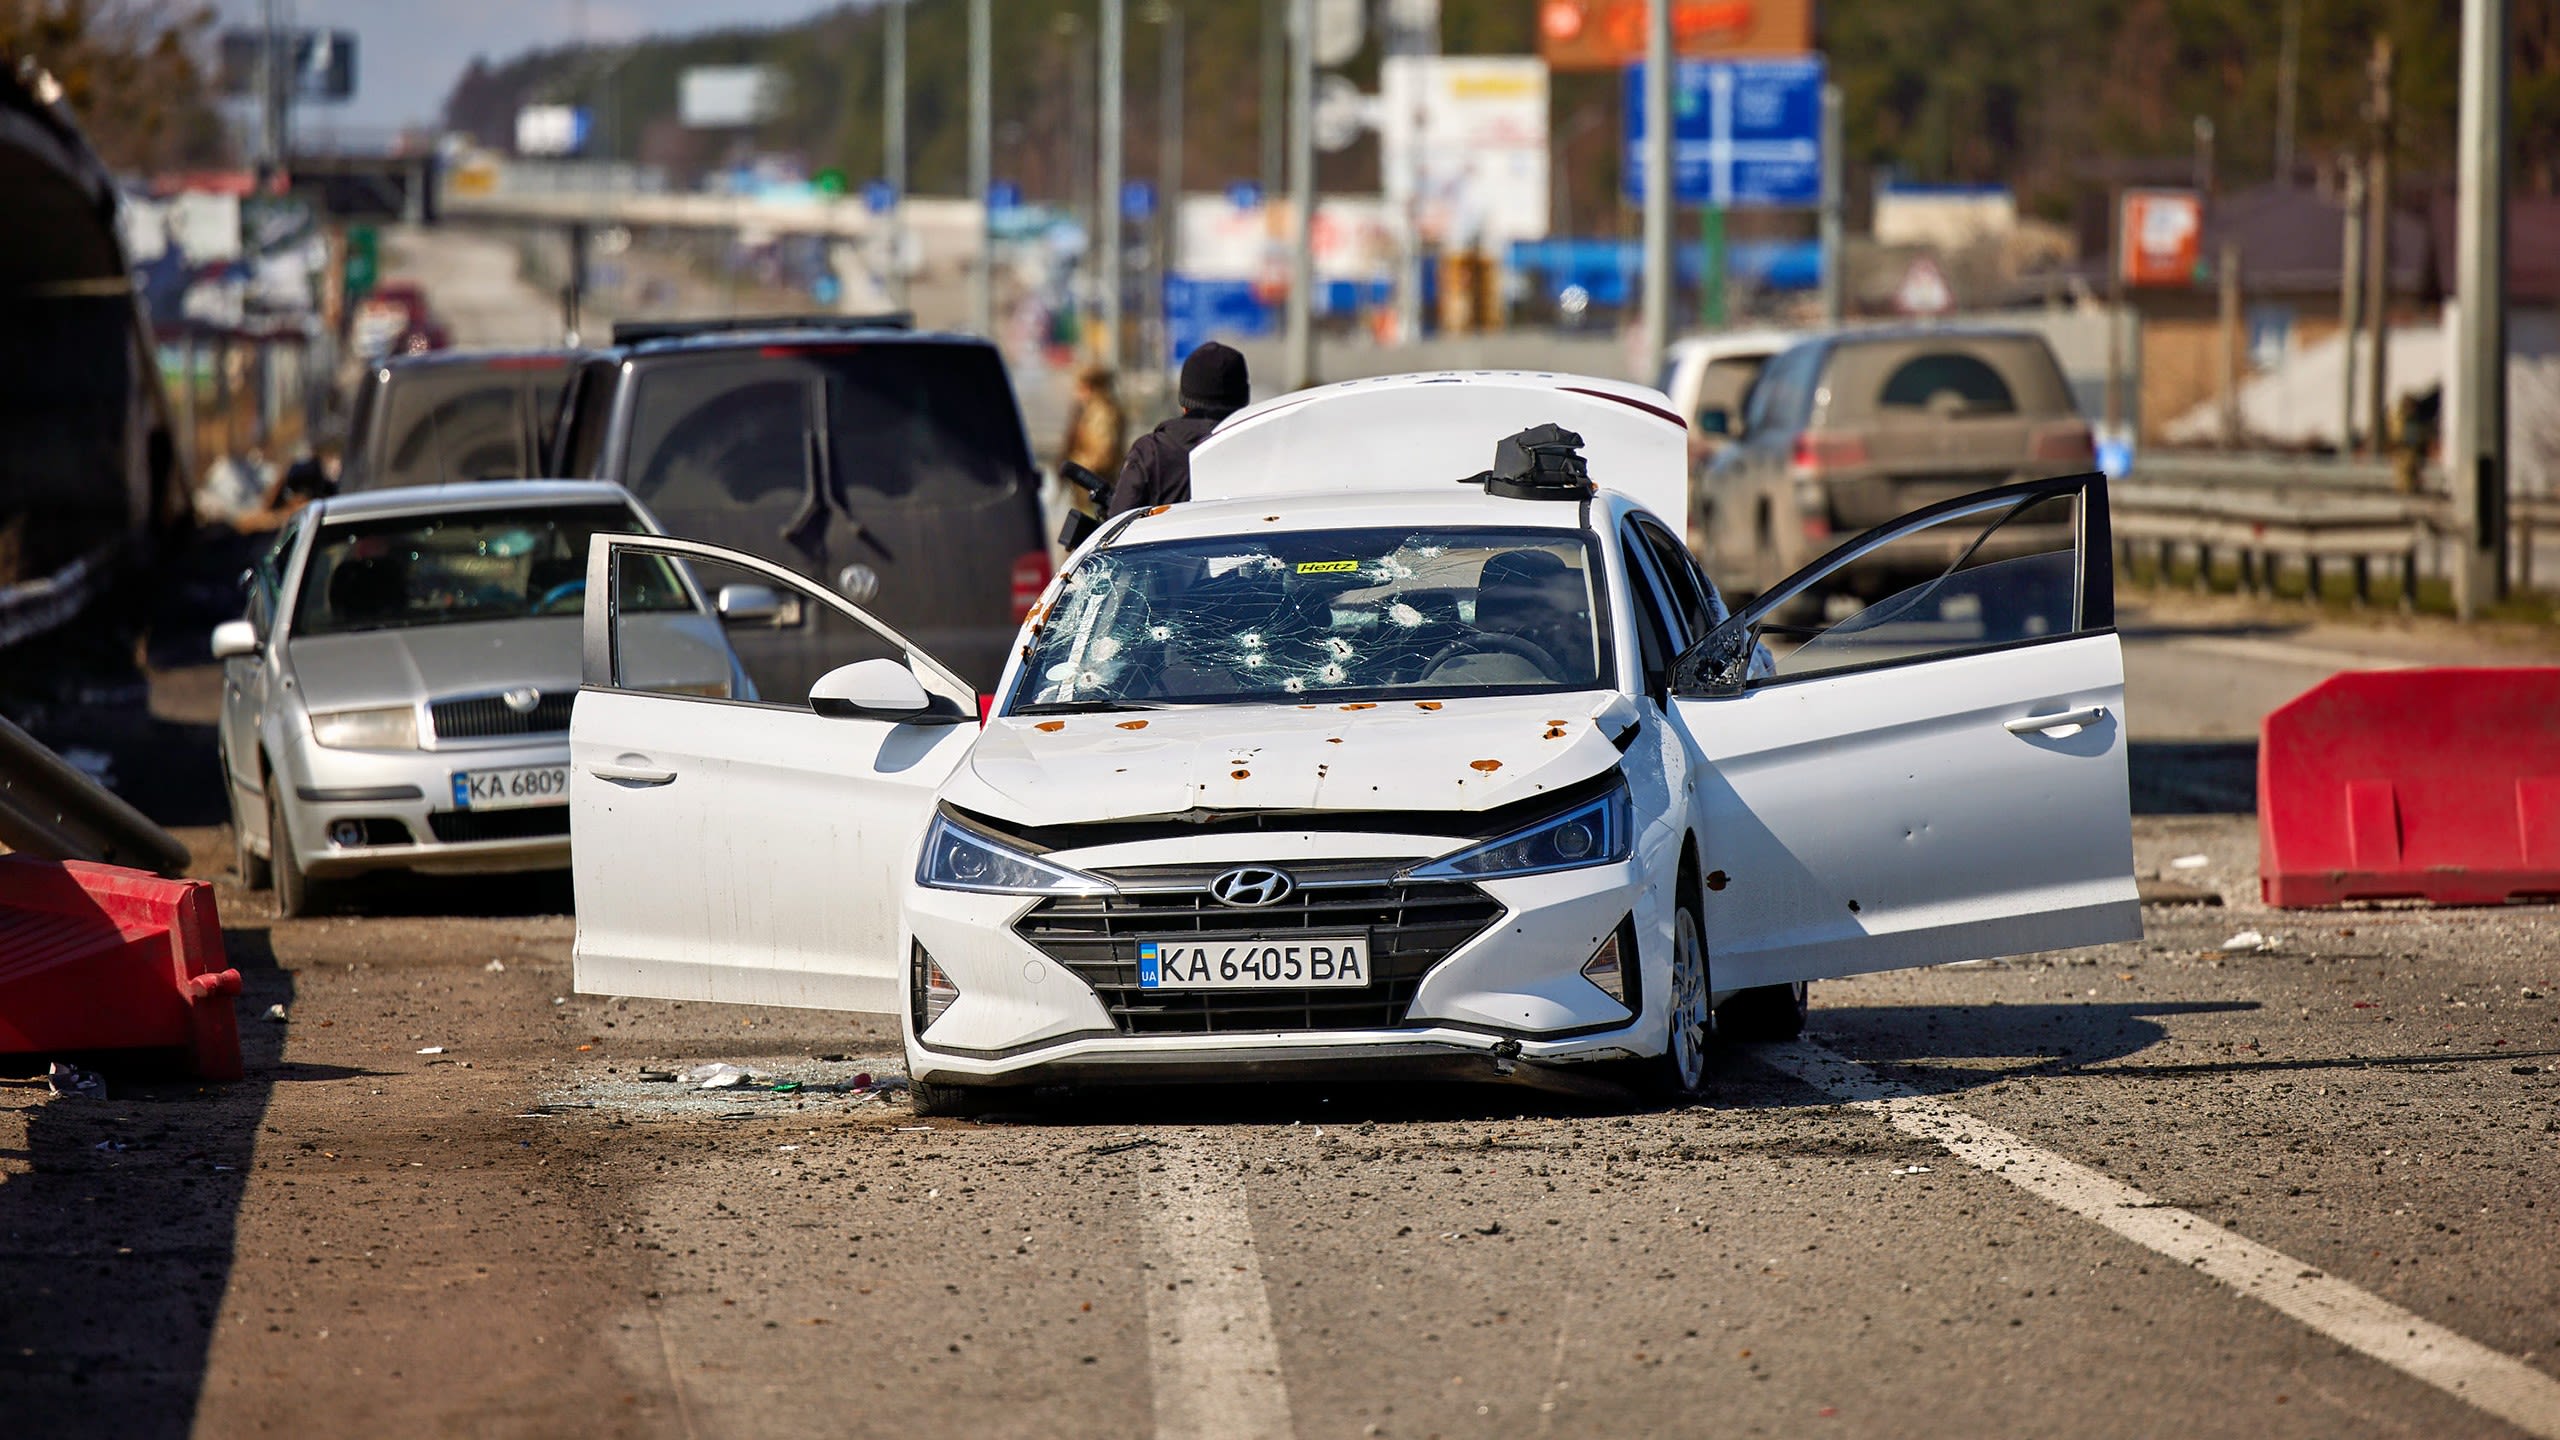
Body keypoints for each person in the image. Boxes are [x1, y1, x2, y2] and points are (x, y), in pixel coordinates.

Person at [1108, 340, 1250, 516]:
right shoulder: (1264, 447)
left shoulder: (1152, 453)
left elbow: (1117, 525)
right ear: (1244, 399)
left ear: (1184, 402)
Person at [1058, 364, 1126, 516]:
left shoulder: (1104, 414)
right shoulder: (1089, 411)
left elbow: (1105, 456)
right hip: (1086, 493)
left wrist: (1076, 465)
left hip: (1098, 490)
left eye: (1080, 387)